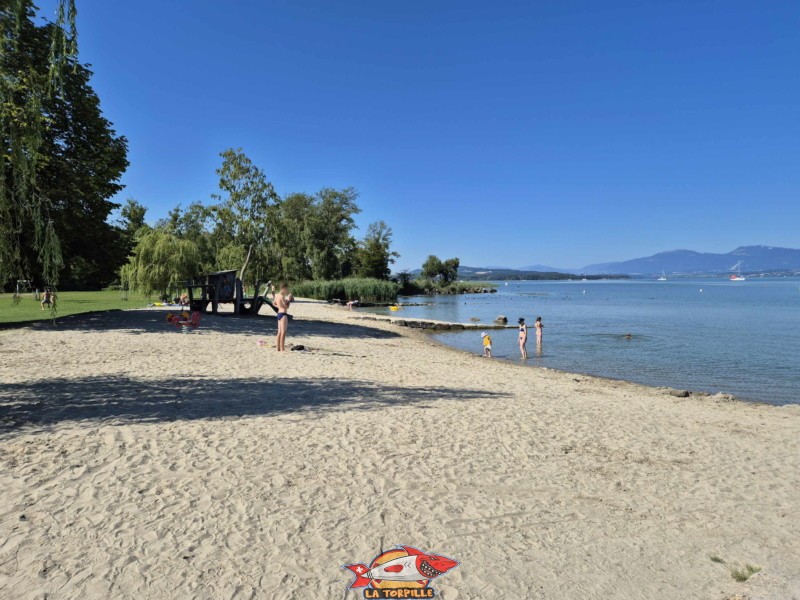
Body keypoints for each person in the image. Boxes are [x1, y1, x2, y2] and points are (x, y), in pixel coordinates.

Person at [273, 282, 292, 352]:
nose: (287, 291)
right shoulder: (281, 296)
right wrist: (289, 300)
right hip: (283, 314)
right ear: (283, 289)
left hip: (279, 314)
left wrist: (279, 306)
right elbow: (286, 307)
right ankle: (282, 348)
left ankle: (278, 348)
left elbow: (274, 303)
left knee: (279, 332)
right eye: (286, 289)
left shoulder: (277, 295)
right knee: (283, 332)